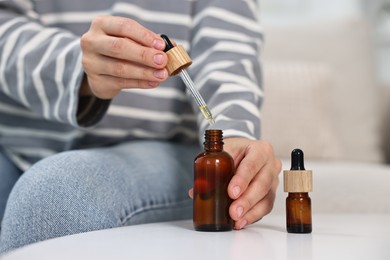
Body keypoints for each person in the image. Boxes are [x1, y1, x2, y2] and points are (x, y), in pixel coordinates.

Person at [0, 0, 281, 253]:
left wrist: (234, 135)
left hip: (158, 147)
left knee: (56, 194)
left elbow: (227, 55)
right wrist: (80, 69)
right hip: (14, 144)